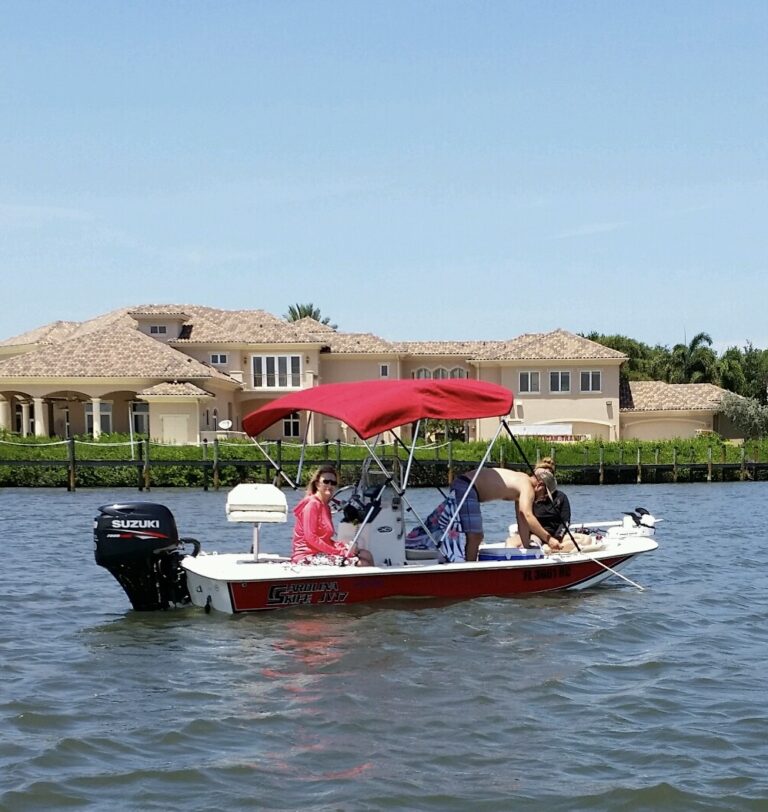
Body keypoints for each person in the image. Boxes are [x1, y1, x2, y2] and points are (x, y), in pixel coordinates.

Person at [450, 466, 560, 561]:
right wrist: (549, 539)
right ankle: (470, 571)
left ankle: (468, 563)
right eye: (545, 494)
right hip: (467, 486)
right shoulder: (528, 487)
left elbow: (522, 518)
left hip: (464, 484)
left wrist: (527, 547)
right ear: (540, 485)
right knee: (475, 536)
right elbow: (527, 515)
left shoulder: (522, 481)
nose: (543, 498)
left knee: (474, 536)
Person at [291, 465, 374, 566]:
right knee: (362, 563)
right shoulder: (312, 504)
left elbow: (325, 539)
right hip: (306, 556)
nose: (329, 485)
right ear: (317, 484)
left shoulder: (326, 507)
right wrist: (337, 551)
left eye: (333, 483)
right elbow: (311, 538)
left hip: (320, 553)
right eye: (326, 481)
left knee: (366, 554)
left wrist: (341, 547)